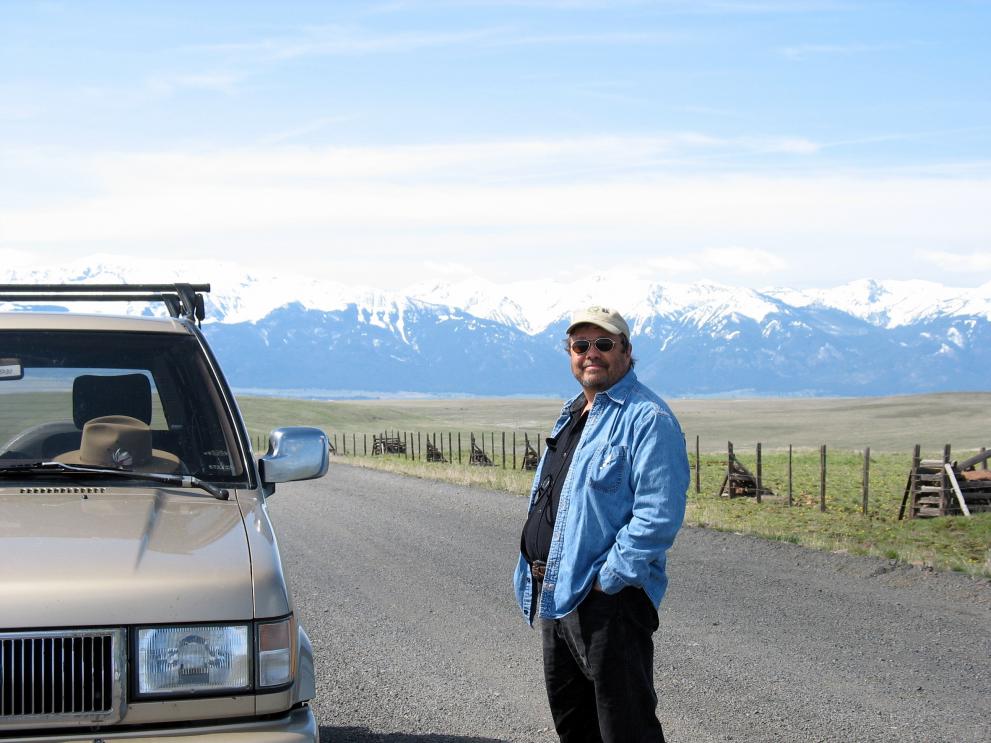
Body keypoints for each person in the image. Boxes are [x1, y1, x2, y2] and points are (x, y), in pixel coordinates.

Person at [514, 305, 689, 743]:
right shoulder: (574, 413)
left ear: (627, 352)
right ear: (570, 354)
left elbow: (658, 514)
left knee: (625, 730)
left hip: (608, 604)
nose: (591, 353)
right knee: (575, 729)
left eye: (604, 344)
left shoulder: (648, 419)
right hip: (558, 596)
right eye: (581, 345)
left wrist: (607, 580)